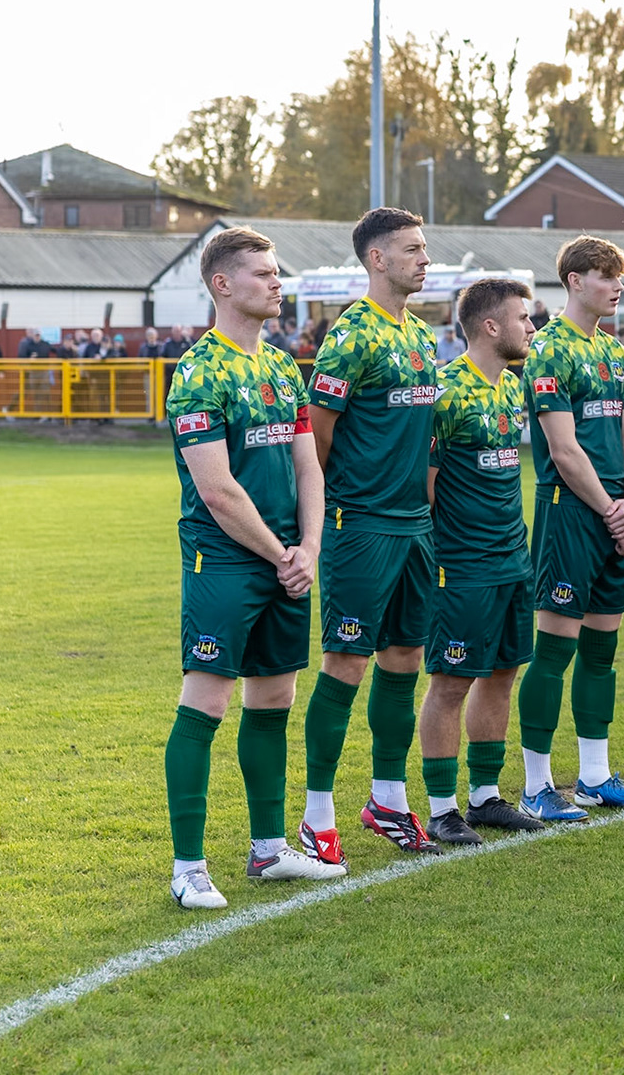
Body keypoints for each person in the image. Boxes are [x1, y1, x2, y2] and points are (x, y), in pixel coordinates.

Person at [161, 226, 345, 909]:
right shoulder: (198, 372)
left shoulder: (281, 367)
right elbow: (217, 490)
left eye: (276, 273)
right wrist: (282, 554)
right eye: (263, 273)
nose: (277, 283)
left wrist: (310, 548)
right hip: (225, 560)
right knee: (206, 703)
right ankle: (188, 867)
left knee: (273, 700)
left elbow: (309, 465)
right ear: (223, 283)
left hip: (288, 561)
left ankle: (269, 850)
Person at [297, 208, 440, 864]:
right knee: (346, 663)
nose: (424, 259)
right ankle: (316, 817)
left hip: (415, 526)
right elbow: (318, 431)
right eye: (412, 249)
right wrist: (333, 506)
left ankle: (387, 801)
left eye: (424, 248)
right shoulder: (351, 334)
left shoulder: (421, 335)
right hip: (360, 525)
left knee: (404, 658)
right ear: (377, 259)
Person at [516, 236, 624, 821]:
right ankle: (536, 785)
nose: (617, 286)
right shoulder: (549, 348)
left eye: (618, 277)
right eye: (606, 276)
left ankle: (595, 778)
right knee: (554, 650)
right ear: (575, 281)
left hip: (615, 514)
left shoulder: (611, 349)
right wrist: (611, 511)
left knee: (602, 651)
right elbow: (563, 449)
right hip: (571, 513)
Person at [414, 280, 547, 846]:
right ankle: (442, 809)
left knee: (502, 673)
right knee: (451, 683)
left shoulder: (511, 385)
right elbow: (425, 489)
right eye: (523, 318)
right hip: (461, 566)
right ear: (491, 326)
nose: (532, 327)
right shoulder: (445, 392)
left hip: (513, 561)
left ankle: (485, 797)